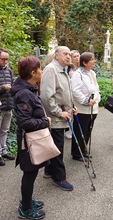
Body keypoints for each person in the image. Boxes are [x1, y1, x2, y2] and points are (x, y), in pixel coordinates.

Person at [11, 56, 47, 220]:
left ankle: (27, 200)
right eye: (40, 68)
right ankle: (25, 209)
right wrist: (45, 121)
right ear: (33, 72)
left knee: (32, 173)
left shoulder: (29, 89)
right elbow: (24, 121)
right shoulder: (24, 93)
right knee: (29, 173)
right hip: (29, 140)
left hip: (33, 138)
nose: (42, 71)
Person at [40, 46, 78, 191]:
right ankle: (59, 178)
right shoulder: (51, 69)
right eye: (65, 54)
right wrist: (58, 112)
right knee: (58, 148)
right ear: (56, 55)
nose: (68, 57)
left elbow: (64, 93)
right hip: (55, 117)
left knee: (55, 145)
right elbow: (46, 96)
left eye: (69, 54)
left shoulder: (63, 70)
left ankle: (49, 170)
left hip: (63, 114)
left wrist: (72, 106)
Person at [70, 52, 100, 161]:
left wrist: (97, 99)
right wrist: (86, 101)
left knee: (88, 131)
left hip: (93, 108)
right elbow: (75, 91)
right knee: (80, 131)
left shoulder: (92, 73)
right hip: (82, 109)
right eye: (91, 60)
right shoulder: (78, 74)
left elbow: (96, 88)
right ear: (84, 62)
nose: (94, 61)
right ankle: (77, 153)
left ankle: (83, 150)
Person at [64, 50, 80, 139]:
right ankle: (69, 129)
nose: (77, 58)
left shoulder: (80, 68)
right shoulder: (68, 68)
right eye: (74, 56)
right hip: (71, 92)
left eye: (78, 56)